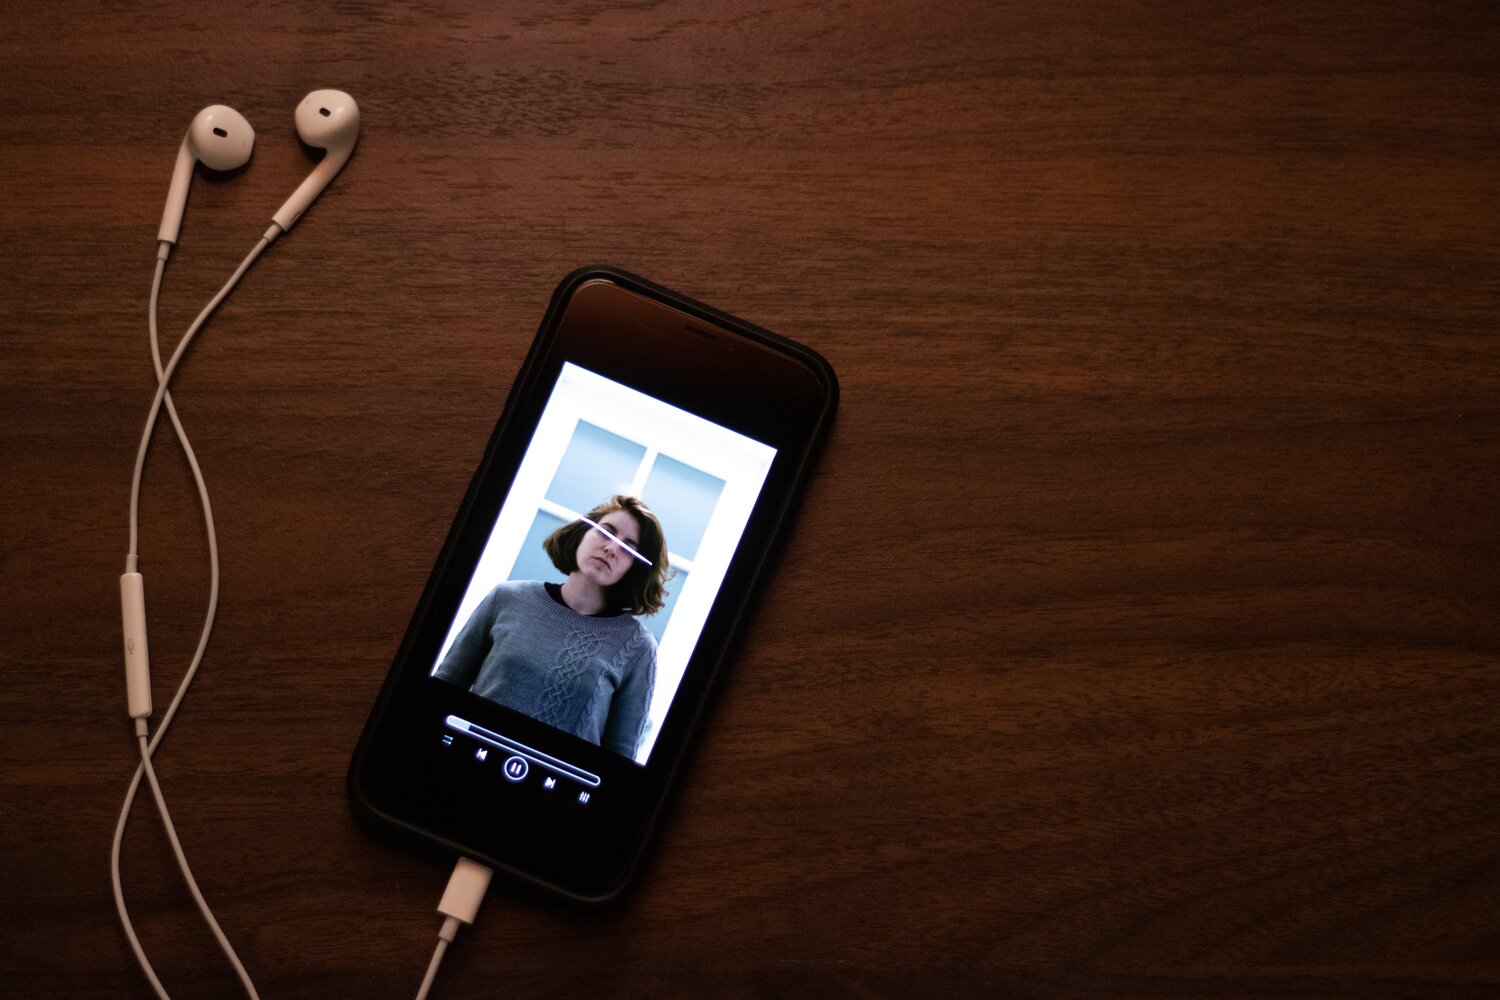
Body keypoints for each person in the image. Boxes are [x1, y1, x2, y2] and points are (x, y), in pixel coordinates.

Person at [434, 495, 670, 758]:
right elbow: (444, 688)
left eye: (628, 548)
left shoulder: (639, 648)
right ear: (583, 533)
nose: (612, 548)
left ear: (635, 568)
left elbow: (620, 756)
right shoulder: (506, 598)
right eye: (606, 532)